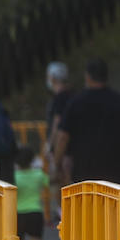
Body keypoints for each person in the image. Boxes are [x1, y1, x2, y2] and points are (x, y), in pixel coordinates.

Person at [53, 58, 120, 185]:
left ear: (87, 76)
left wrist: (57, 165)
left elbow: (62, 137)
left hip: (83, 173)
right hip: (116, 171)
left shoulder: (75, 102)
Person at [13, 145, 51, 240]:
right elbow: (48, 183)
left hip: (18, 213)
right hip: (35, 211)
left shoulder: (14, 177)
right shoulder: (39, 174)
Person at [44, 61, 75, 204]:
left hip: (62, 145)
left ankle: (66, 210)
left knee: (62, 177)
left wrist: (51, 144)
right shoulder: (72, 95)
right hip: (72, 143)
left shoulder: (59, 98)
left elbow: (57, 123)